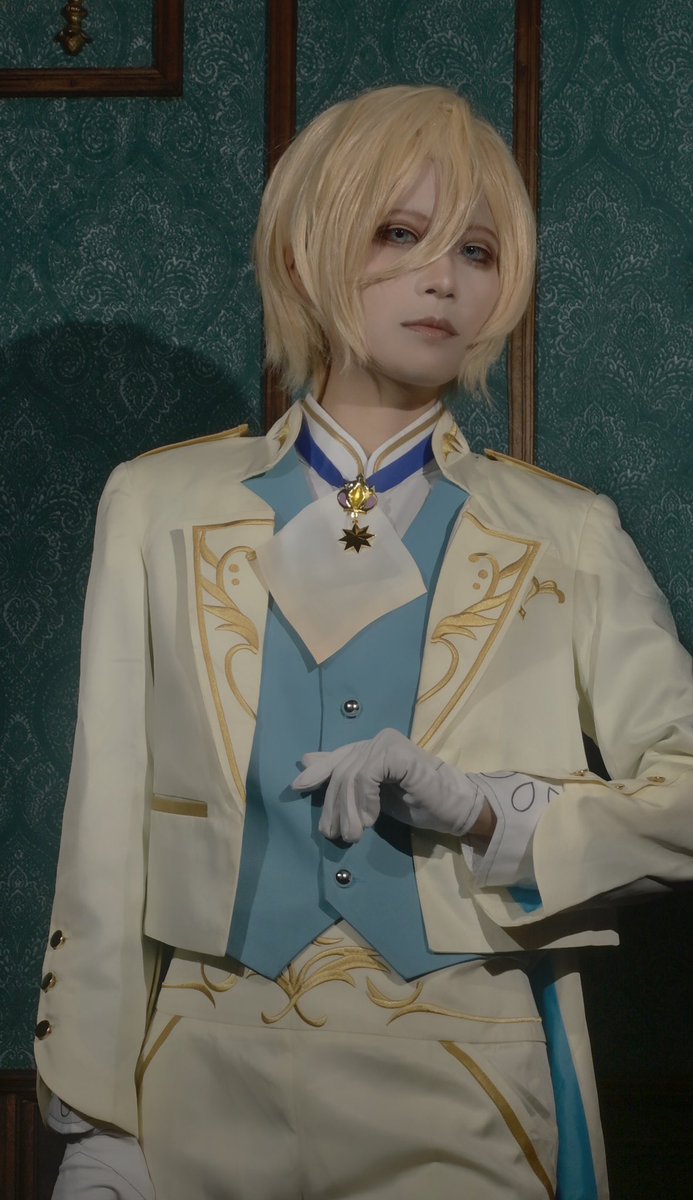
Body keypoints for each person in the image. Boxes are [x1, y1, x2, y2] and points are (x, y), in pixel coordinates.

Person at [36, 85, 693, 1200]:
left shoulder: (565, 532)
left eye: (476, 250)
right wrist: (96, 1119)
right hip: (201, 1072)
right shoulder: (158, 504)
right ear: (307, 252)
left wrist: (485, 808)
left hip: (462, 1071)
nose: (444, 279)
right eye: (399, 233)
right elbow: (104, 829)